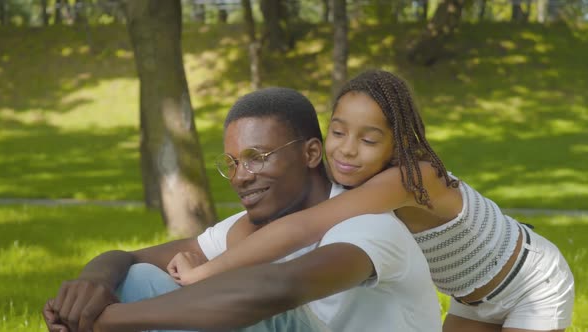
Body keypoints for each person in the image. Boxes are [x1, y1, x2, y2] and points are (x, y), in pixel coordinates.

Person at [170, 70, 575, 332]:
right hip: (470, 297)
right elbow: (284, 226)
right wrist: (214, 252)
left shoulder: (409, 179)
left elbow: (304, 226)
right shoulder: (355, 187)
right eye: (339, 132)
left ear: (396, 143)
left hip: (530, 284)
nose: (346, 151)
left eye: (368, 139)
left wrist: (205, 273)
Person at [43, 87, 442, 332]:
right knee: (139, 278)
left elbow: (274, 291)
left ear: (311, 152)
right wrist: (90, 289)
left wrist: (109, 320)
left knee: (218, 300)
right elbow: (127, 258)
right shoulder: (252, 229)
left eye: (257, 157)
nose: (240, 176)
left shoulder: (368, 226)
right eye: (232, 162)